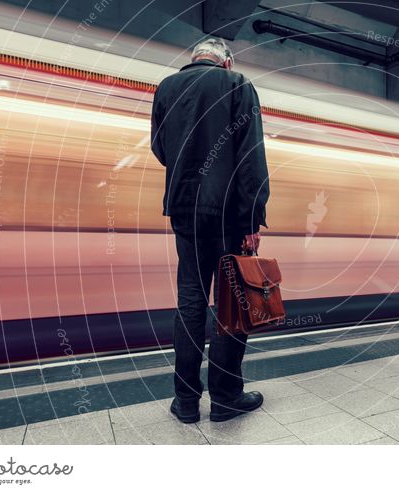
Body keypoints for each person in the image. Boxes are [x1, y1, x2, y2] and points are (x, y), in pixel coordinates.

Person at [150, 38, 270, 423]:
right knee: (231, 306)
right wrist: (252, 219)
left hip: (184, 211)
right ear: (227, 62)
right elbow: (252, 156)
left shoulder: (166, 88)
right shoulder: (237, 86)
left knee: (190, 304)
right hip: (230, 215)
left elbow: (159, 147)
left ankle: (185, 402)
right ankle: (225, 397)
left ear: (194, 59)